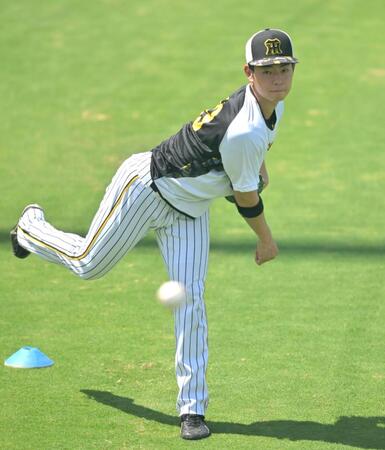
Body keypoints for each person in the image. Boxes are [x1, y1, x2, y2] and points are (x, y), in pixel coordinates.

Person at [10, 28, 298, 440]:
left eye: (284, 68)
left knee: (191, 301)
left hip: (190, 210)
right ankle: (30, 228)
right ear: (248, 73)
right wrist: (266, 240)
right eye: (267, 69)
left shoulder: (270, 108)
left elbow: (254, 158)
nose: (278, 77)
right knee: (88, 264)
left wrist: (256, 170)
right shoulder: (244, 128)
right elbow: (244, 195)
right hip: (147, 188)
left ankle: (192, 410)